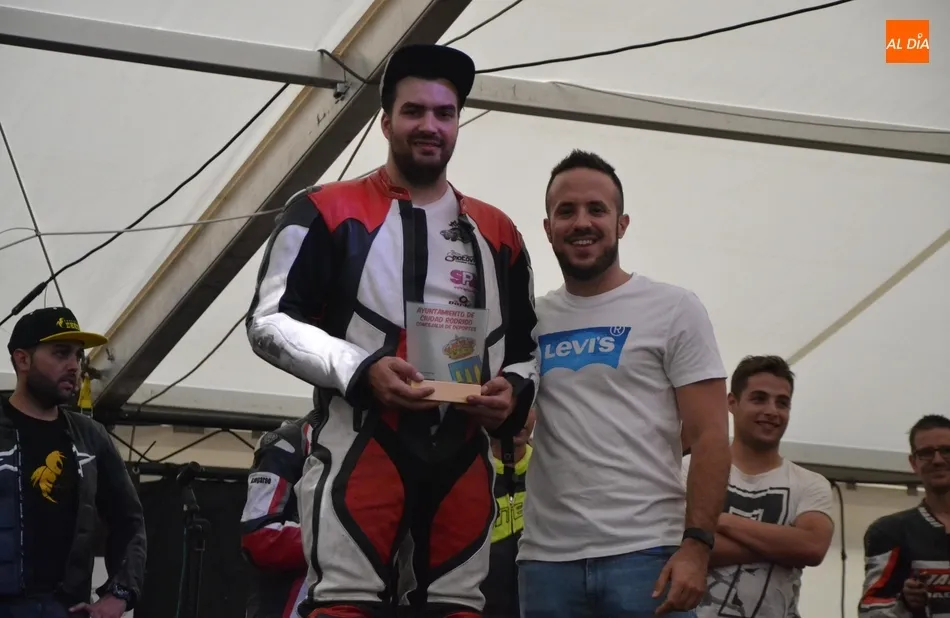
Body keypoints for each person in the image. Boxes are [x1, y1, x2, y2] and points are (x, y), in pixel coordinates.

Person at [245, 43, 539, 618]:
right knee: (343, 603)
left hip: (463, 453)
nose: (430, 125)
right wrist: (361, 369)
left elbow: (530, 349)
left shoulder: (499, 231)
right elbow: (268, 322)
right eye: (414, 111)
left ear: (458, 124)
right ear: (385, 122)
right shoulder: (325, 208)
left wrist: (514, 392)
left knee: (457, 607)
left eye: (444, 113)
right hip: (360, 441)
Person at [518, 149, 731, 617]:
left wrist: (697, 546)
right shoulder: (529, 319)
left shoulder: (674, 308)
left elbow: (712, 436)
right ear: (548, 227)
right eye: (566, 211)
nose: (582, 222)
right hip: (546, 562)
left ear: (622, 223)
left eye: (596, 209)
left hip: (648, 554)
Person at [0, 307, 146, 618]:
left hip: (65, 608)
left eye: (78, 356)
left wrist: (119, 594)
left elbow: (129, 521)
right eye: (61, 353)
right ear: (22, 359)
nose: (74, 366)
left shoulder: (91, 437)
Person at [683, 355, 834, 618]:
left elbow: (812, 547)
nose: (772, 411)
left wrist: (719, 521)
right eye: (759, 399)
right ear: (732, 402)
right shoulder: (688, 469)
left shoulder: (810, 482)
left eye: (782, 403)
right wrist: (783, 547)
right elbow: (670, 546)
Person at [859, 414, 950, 617]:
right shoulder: (890, 532)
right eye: (926, 453)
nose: (938, 460)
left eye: (947, 450)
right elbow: (869, 612)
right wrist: (906, 603)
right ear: (913, 463)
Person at [240, 414, 316, 618]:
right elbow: (260, 537)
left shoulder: (374, 442)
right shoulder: (288, 441)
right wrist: (339, 538)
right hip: (287, 604)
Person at [481, 409, 535, 618]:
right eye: (510, 405)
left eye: (528, 406)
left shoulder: (548, 468)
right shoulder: (468, 472)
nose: (519, 416)